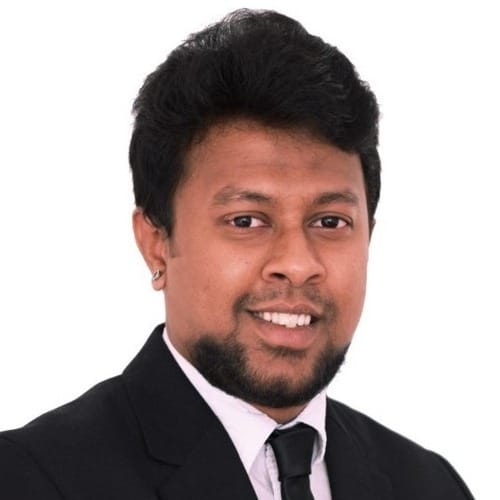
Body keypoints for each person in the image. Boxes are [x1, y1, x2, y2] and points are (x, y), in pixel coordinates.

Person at [0, 9, 474, 500]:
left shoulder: (429, 484)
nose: (297, 264)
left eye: (330, 222)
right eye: (246, 221)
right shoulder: (31, 479)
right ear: (156, 241)